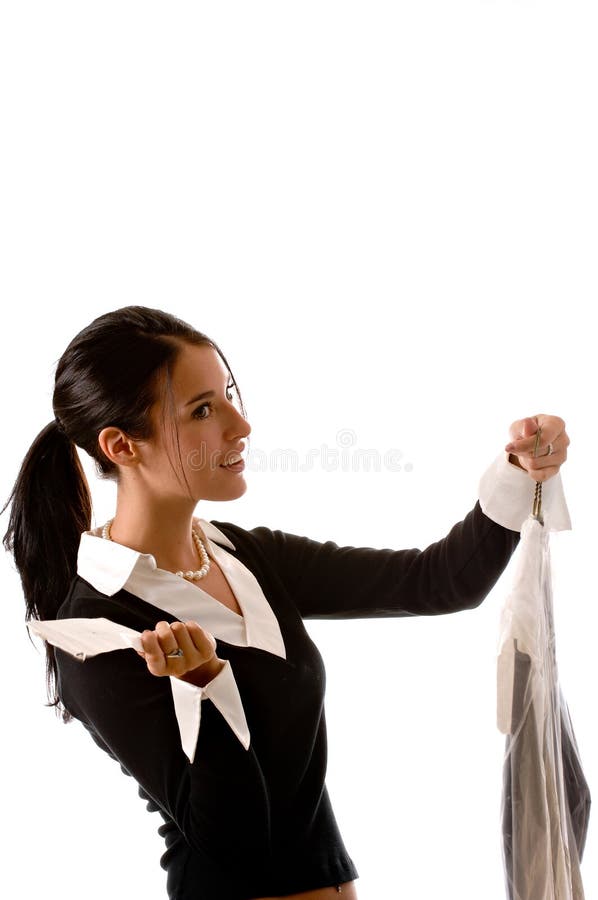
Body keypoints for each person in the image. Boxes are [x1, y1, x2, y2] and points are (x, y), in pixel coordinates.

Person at [2, 305, 571, 900]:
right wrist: (205, 685)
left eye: (226, 396)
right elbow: (233, 843)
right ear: (121, 445)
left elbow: (435, 582)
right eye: (202, 409)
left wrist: (519, 470)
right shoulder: (96, 628)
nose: (239, 425)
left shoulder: (242, 555)